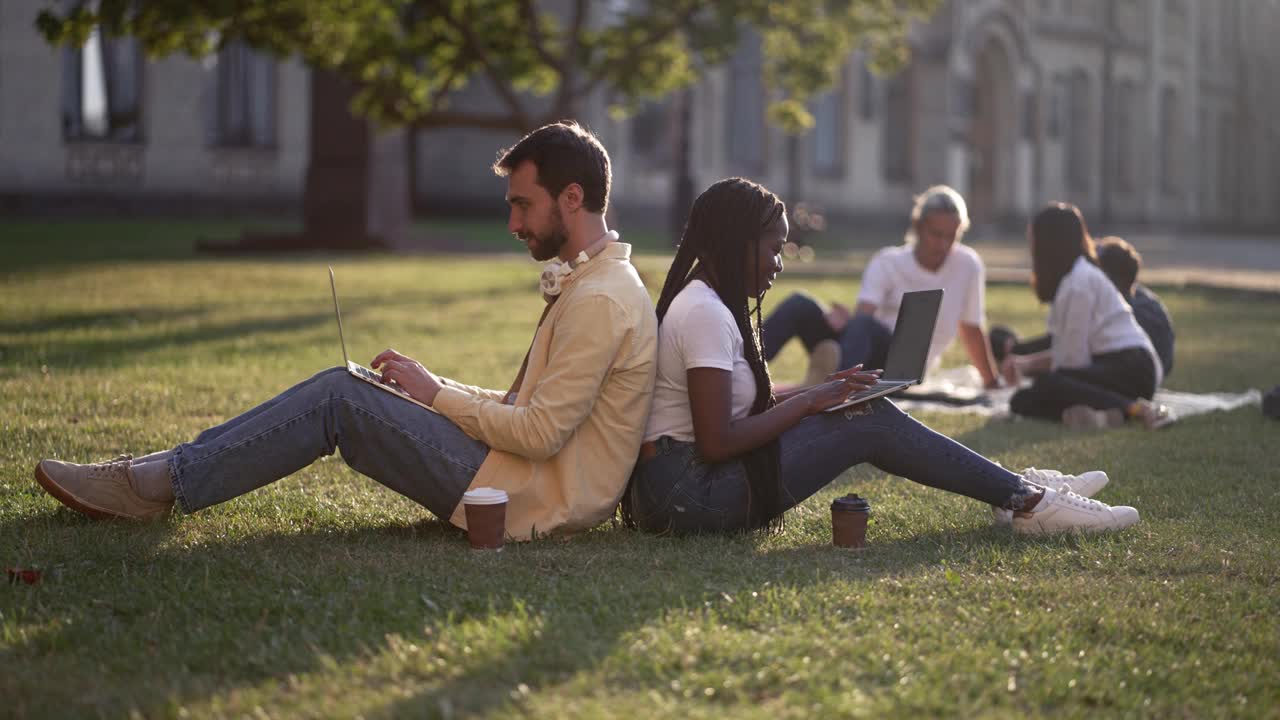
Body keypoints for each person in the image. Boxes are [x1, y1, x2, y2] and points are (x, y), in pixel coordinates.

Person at [33, 121, 659, 541]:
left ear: (571, 198)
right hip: (515, 477)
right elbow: (527, 410)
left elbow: (541, 433)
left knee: (340, 394)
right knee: (356, 385)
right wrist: (429, 385)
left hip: (527, 500)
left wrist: (436, 396)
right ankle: (156, 471)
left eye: (523, 204)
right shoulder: (590, 283)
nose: (514, 223)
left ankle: (153, 485)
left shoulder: (601, 297)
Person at [621, 178, 1139, 537]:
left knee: (860, 407)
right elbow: (716, 442)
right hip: (688, 494)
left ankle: (1020, 491)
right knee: (866, 421)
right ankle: (1029, 501)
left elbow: (739, 406)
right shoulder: (705, 312)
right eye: (774, 248)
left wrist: (822, 391)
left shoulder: (709, 303)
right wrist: (812, 403)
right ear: (736, 243)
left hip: (684, 486)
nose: (780, 263)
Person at [761, 185, 1002, 390]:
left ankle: (830, 385)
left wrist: (991, 382)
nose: (943, 244)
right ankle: (742, 370)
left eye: (952, 236)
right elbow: (864, 315)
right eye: (936, 234)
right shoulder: (888, 261)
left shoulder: (968, 265)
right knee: (799, 304)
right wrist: (847, 322)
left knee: (862, 327)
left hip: (899, 367)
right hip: (859, 349)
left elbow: (971, 329)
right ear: (918, 227)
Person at [1003, 204, 1171, 430]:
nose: (1030, 248)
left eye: (1033, 240)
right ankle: (1108, 416)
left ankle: (1136, 409)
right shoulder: (1072, 279)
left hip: (1132, 368)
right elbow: (1066, 352)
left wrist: (1030, 368)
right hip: (1115, 367)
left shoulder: (1079, 283)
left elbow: (1072, 362)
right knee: (1022, 401)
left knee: (1048, 385)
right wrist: (1024, 365)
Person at [992, 235, 1175, 380]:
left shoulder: (1119, 310)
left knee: (1054, 382)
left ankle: (1012, 350)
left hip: (1125, 369)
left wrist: (1022, 357)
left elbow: (1070, 351)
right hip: (1143, 370)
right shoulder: (1142, 303)